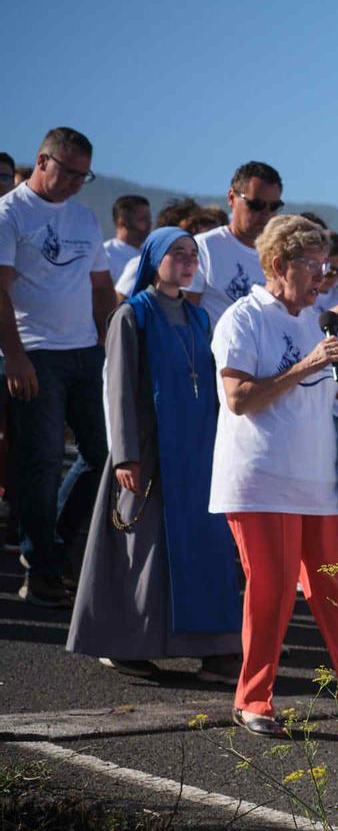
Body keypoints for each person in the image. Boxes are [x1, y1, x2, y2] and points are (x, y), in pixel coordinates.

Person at [210, 215, 338, 739]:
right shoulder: (242, 318)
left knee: (337, 595)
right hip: (260, 481)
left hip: (320, 485)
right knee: (270, 593)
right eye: (313, 266)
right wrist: (307, 365)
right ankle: (254, 699)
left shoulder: (322, 319)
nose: (323, 278)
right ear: (278, 264)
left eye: (326, 266)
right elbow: (239, 398)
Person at [66, 228, 240, 676]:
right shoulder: (132, 315)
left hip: (197, 449)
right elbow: (118, 387)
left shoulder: (199, 317)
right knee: (143, 548)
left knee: (202, 546)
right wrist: (125, 453)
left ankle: (214, 644)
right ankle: (126, 643)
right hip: (148, 449)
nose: (186, 262)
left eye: (192, 255)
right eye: (176, 254)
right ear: (154, 259)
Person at [0, 128, 116, 606]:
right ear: (41, 160)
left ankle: (58, 547)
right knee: (43, 459)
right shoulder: (10, 213)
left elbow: (101, 288)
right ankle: (40, 566)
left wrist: (113, 346)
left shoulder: (85, 219)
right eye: (65, 170)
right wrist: (16, 354)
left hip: (86, 352)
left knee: (103, 450)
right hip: (37, 352)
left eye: (81, 174)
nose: (72, 181)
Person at [191, 162, 285, 327]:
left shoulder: (281, 255)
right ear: (231, 198)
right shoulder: (204, 247)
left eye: (274, 206)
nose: (266, 213)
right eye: (256, 205)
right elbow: (185, 318)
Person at [103, 194, 152, 281]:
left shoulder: (150, 255)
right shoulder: (106, 254)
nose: (149, 224)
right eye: (142, 219)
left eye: (149, 219)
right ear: (123, 222)